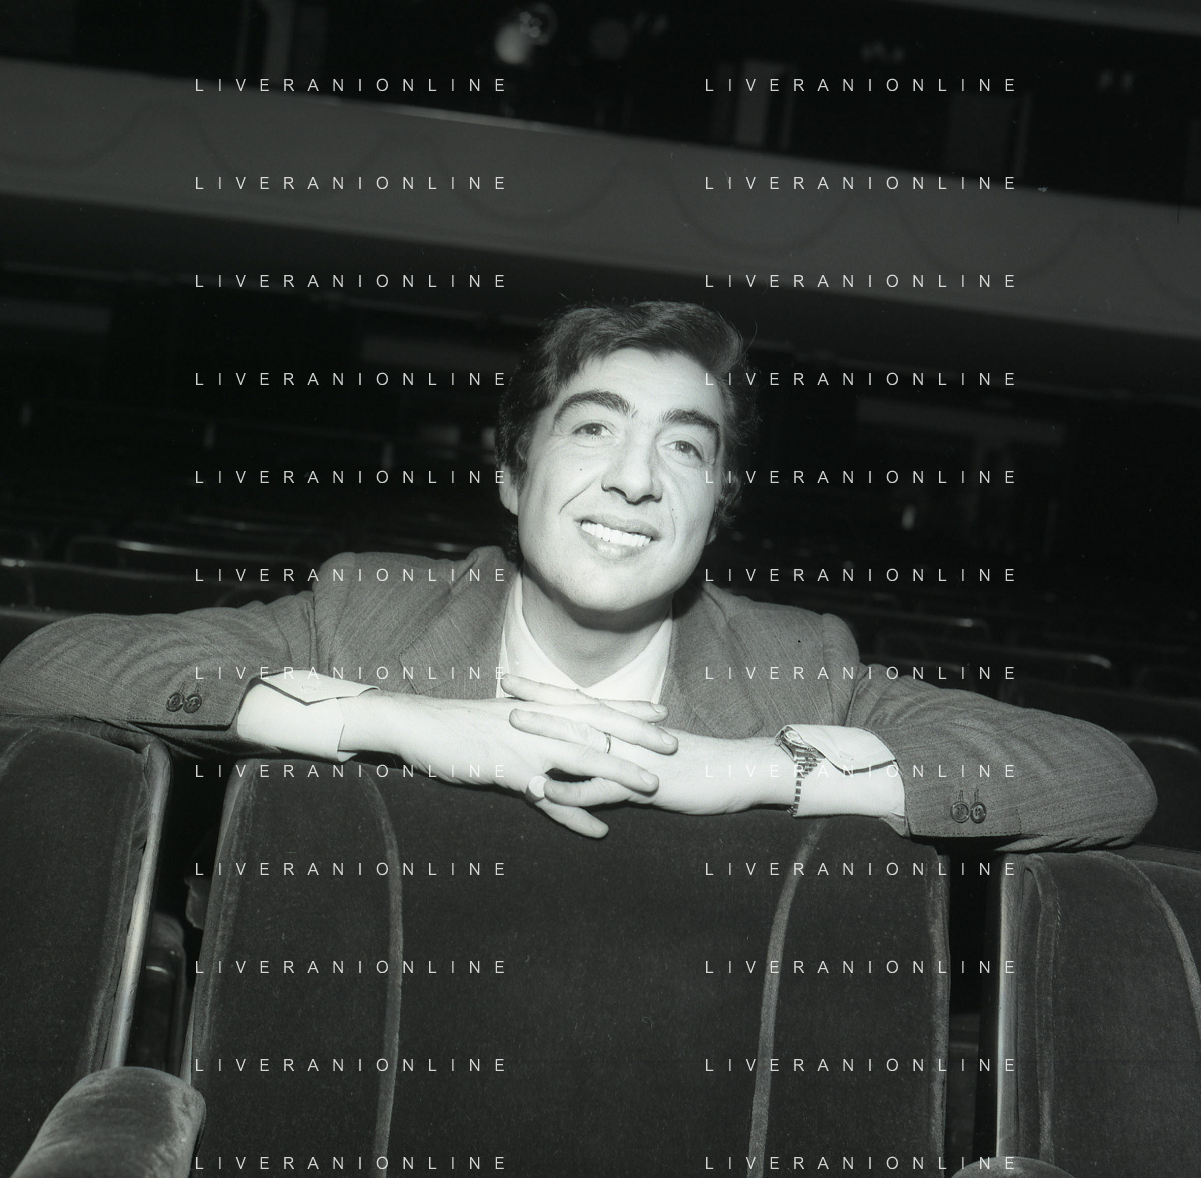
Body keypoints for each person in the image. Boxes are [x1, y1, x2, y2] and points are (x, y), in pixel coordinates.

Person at [0, 302, 1154, 849]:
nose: (635, 479)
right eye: (593, 429)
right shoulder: (368, 613)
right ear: (512, 473)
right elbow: (49, 666)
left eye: (684, 450)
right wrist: (383, 716)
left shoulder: (800, 666)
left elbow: (1104, 779)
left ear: (716, 506)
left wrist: (754, 768)